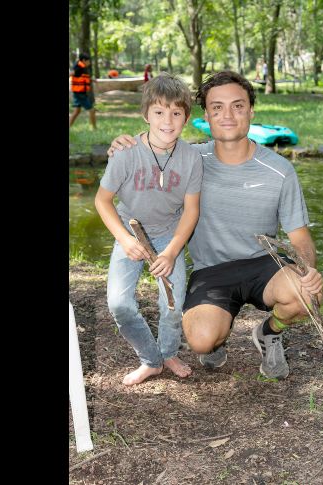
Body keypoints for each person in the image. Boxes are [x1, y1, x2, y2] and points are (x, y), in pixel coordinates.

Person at [108, 71, 323, 379]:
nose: (227, 115)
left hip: (265, 266)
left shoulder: (279, 170)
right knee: (201, 341)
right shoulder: (189, 160)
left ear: (251, 110)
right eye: (217, 107)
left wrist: (308, 270)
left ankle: (268, 332)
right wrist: (122, 147)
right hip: (211, 270)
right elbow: (151, 148)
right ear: (206, 115)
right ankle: (217, 338)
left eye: (237, 106)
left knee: (306, 293)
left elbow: (300, 236)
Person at [95, 73, 203, 386]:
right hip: (130, 234)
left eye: (176, 113)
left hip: (170, 234)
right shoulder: (125, 154)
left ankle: (168, 351)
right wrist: (125, 240)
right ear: (146, 115)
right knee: (118, 303)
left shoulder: (191, 159)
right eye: (158, 112)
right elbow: (103, 201)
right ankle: (150, 359)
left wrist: (171, 252)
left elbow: (191, 210)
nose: (167, 120)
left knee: (172, 303)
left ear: (186, 118)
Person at [69, 53, 96, 129]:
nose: (89, 63)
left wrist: (91, 79)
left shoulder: (82, 67)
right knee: (92, 110)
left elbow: (81, 77)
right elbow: (72, 73)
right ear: (84, 60)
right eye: (88, 61)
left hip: (79, 92)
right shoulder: (78, 67)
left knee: (77, 111)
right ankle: (94, 128)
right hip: (79, 93)